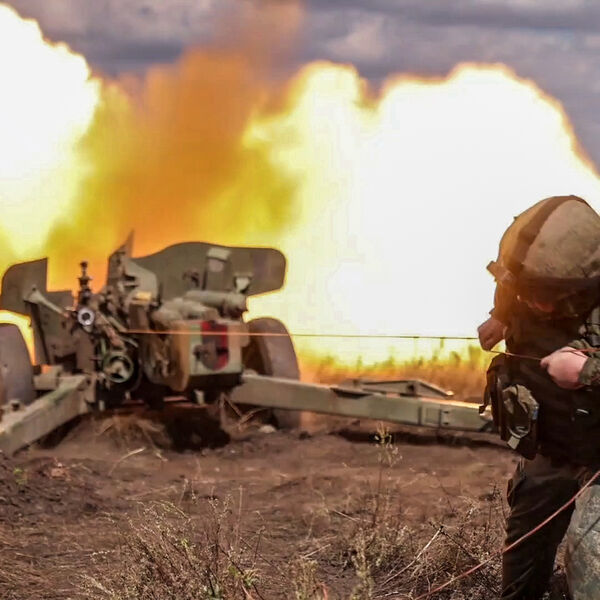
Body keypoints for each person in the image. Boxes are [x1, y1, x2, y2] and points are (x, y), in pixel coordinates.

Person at [478, 195, 600, 600]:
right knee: (524, 545)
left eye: (540, 294)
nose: (531, 302)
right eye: (523, 291)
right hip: (556, 443)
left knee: (590, 562)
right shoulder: (523, 279)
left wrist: (587, 371)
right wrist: (501, 315)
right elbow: (509, 283)